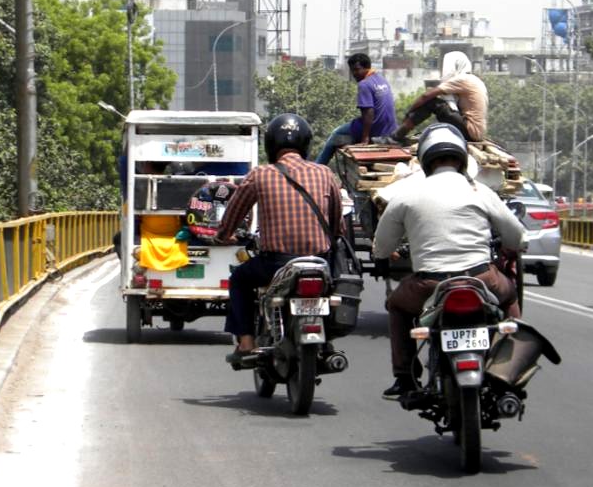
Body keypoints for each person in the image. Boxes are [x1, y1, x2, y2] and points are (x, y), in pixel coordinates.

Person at [372, 123, 525, 398]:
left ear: (426, 159)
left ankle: (405, 377)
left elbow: (382, 246)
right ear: (462, 158)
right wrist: (512, 247)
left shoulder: (405, 193)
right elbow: (515, 236)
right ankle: (509, 370)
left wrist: (384, 256)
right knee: (510, 297)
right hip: (481, 278)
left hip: (429, 284)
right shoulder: (480, 191)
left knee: (396, 306)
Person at [216, 113, 342, 365]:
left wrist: (223, 235)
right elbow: (337, 222)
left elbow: (233, 214)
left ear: (271, 144)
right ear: (305, 143)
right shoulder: (325, 173)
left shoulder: (260, 175)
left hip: (276, 265)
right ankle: (326, 340)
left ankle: (246, 342)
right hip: (319, 263)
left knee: (239, 280)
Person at [380, 51, 487, 144]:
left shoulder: (463, 80)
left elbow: (426, 95)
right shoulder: (474, 80)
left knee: (433, 102)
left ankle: (396, 137)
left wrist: (410, 111)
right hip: (476, 133)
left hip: (470, 131)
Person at [315, 53, 397, 165]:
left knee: (335, 135)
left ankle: (318, 166)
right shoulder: (381, 79)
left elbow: (369, 112)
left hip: (376, 127)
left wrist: (365, 139)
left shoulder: (364, 84)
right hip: (389, 128)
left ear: (366, 67)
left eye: (357, 70)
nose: (354, 74)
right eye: (352, 70)